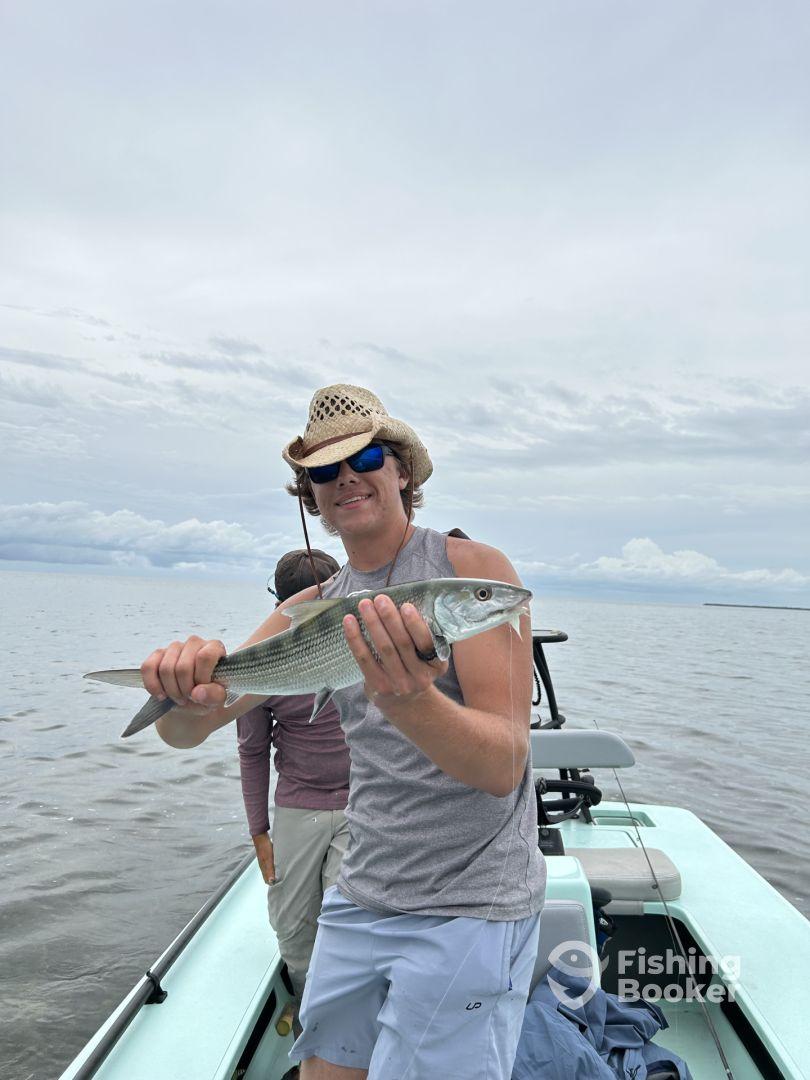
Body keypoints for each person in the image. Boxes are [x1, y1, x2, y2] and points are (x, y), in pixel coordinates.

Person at [141, 384, 545, 1080]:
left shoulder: (472, 573)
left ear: (403, 470)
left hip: (471, 902)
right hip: (361, 891)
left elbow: (504, 764)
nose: (346, 478)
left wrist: (409, 698)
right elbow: (189, 731)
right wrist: (180, 692)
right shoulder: (308, 609)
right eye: (323, 471)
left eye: (365, 456)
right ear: (310, 495)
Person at [238, 548, 349, 1017]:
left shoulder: (364, 645)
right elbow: (252, 748)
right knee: (293, 922)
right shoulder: (261, 664)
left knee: (347, 917)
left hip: (362, 802)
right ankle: (311, 1010)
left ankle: (344, 1018)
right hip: (296, 806)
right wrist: (259, 831)